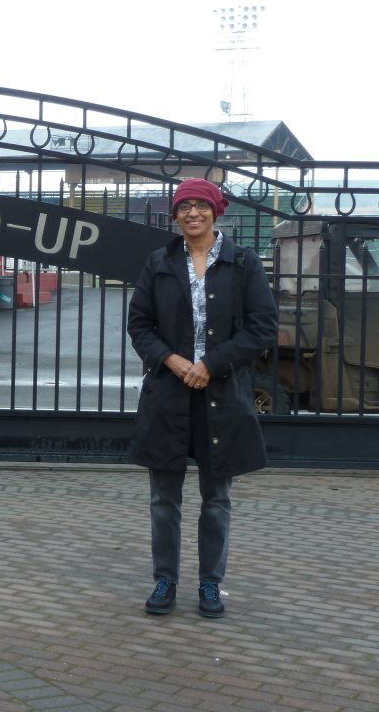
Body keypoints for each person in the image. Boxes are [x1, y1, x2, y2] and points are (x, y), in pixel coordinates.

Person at [127, 177, 277, 618]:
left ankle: (210, 584)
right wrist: (173, 361)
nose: (192, 213)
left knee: (217, 498)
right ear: (174, 215)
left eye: (201, 206)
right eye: (184, 207)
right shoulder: (158, 263)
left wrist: (211, 364)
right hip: (168, 394)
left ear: (217, 210)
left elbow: (261, 328)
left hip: (222, 395)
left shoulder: (243, 264)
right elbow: (140, 325)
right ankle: (165, 580)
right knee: (163, 498)